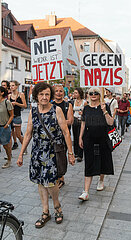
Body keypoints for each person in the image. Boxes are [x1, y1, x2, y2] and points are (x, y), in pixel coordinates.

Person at [17, 82, 75, 227]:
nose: (44, 97)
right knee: (40, 182)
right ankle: (45, 211)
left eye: (47, 94)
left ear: (51, 96)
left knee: (51, 182)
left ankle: (57, 207)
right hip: (37, 152)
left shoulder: (57, 110)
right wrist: (21, 153)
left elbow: (66, 132)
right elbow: (29, 133)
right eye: (41, 94)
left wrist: (71, 153)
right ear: (36, 96)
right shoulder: (33, 112)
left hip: (52, 152)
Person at [78, 87, 114, 200]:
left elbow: (111, 122)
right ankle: (86, 191)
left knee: (103, 160)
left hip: (103, 138)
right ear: (88, 95)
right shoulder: (86, 108)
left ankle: (101, 180)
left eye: (96, 93)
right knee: (89, 161)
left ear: (99, 95)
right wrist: (80, 137)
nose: (93, 95)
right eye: (91, 93)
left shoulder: (105, 106)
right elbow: (83, 123)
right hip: (89, 138)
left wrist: (105, 111)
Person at [52, 84, 74, 188]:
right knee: (53, 156)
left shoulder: (67, 105)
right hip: (52, 136)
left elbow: (70, 121)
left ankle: (60, 177)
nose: (58, 93)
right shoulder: (50, 105)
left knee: (61, 157)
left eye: (60, 91)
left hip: (64, 136)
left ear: (63, 93)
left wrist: (57, 122)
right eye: (56, 91)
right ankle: (56, 177)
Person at [8, 81, 27, 150]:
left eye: (13, 85)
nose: (11, 87)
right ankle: (9, 153)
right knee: (9, 135)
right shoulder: (9, 96)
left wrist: (16, 103)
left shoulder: (21, 94)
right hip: (10, 117)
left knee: (18, 135)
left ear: (16, 86)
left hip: (17, 116)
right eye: (10, 86)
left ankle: (24, 147)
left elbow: (25, 105)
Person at [0, 87, 14, 168]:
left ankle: (9, 160)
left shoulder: (7, 102)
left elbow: (12, 115)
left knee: (6, 146)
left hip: (4, 127)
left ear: (2, 93)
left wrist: (7, 124)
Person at [72, 87, 87, 162]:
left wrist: (83, 113)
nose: (74, 94)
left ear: (80, 93)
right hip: (74, 120)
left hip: (81, 121)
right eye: (74, 93)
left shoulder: (84, 102)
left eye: (76, 93)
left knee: (80, 137)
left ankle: (80, 154)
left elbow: (87, 112)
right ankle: (76, 153)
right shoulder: (73, 102)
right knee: (75, 137)